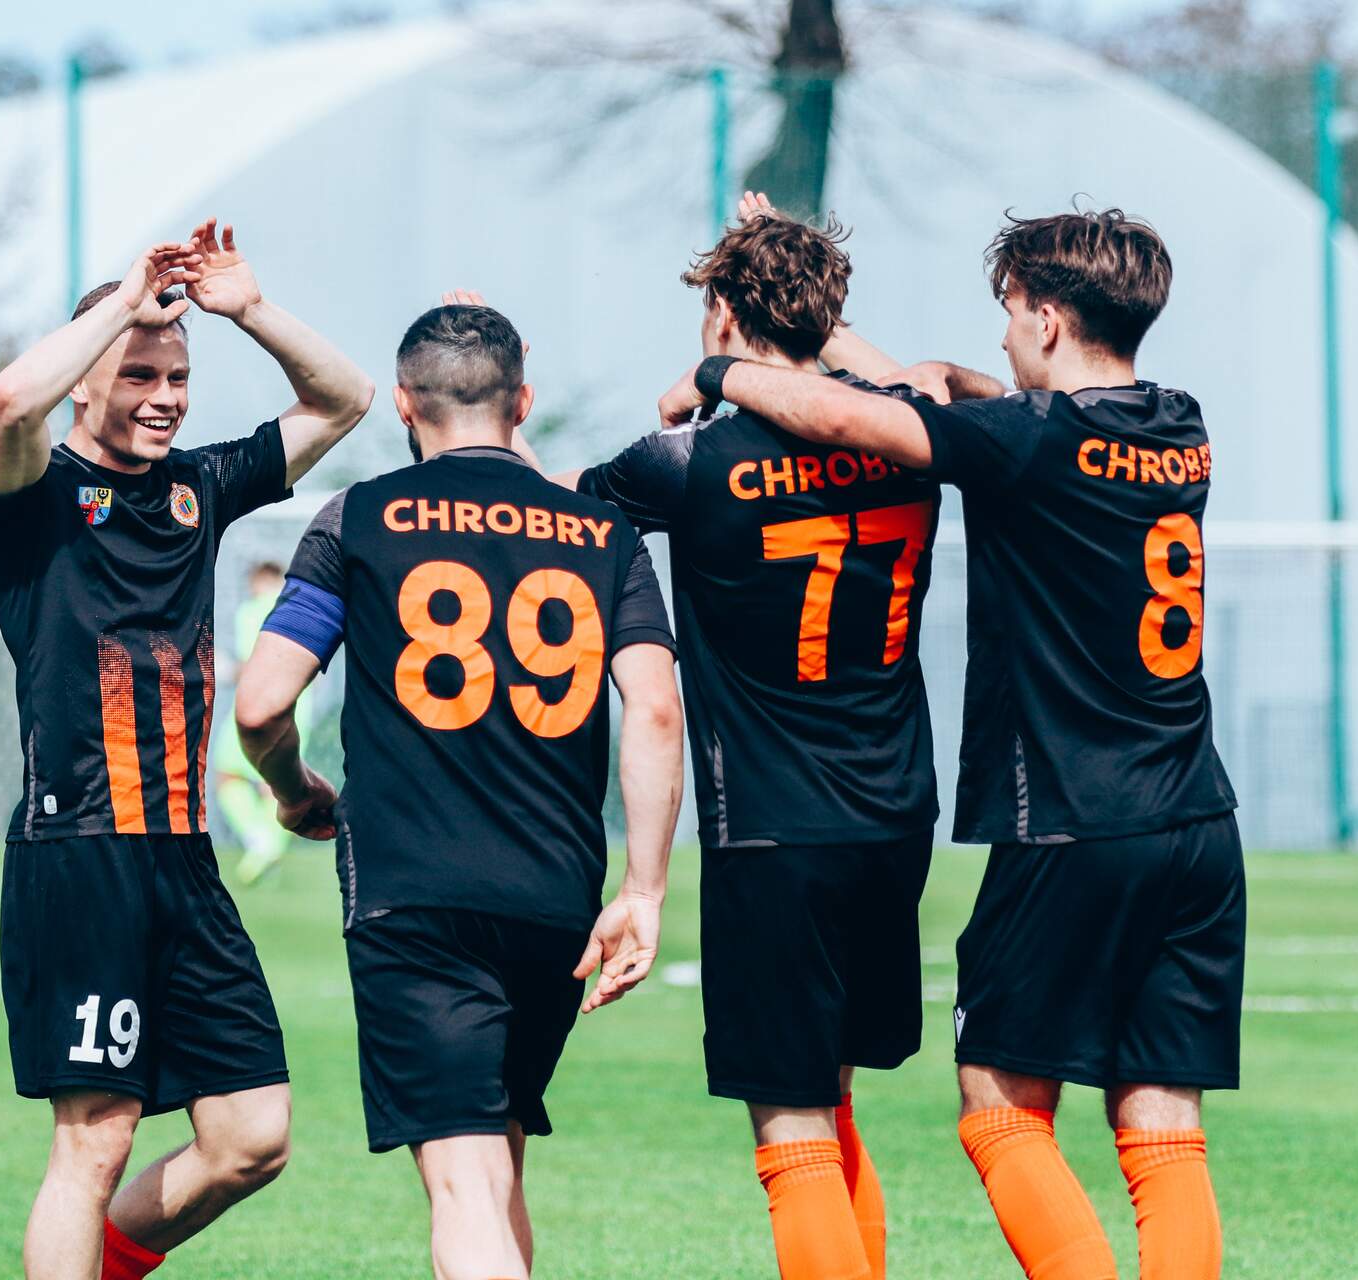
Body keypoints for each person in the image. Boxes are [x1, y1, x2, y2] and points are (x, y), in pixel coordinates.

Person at [664, 207, 1243, 1280]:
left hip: (1075, 820)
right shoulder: (1177, 422)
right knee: (1162, 1118)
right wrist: (840, 327)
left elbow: (855, 421)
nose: (1005, 335)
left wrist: (720, 373)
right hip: (1200, 823)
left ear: (1050, 319)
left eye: (1012, 313)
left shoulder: (1026, 443)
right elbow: (980, 407)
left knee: (999, 1104)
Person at [474, 190, 973, 1280]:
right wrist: (802, 303)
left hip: (773, 826)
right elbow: (901, 378)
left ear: (724, 317)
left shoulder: (686, 461)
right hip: (897, 814)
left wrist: (480, 408)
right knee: (834, 1096)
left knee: (790, 1126)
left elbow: (551, 506)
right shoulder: (911, 435)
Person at [233, 302, 683, 1280]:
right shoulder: (604, 533)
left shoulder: (357, 519)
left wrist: (292, 789)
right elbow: (654, 709)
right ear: (523, 400)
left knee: (465, 1184)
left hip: (415, 896)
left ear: (403, 403)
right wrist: (644, 890)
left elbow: (261, 701)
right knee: (497, 1158)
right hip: (556, 897)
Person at [0, 219, 374, 1280]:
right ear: (84, 387)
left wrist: (249, 308)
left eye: (178, 376)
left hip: (182, 860)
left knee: (252, 1135)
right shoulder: (33, 495)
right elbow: (8, 403)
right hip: (81, 852)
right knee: (95, 1141)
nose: (164, 396)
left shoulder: (202, 485)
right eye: (138, 375)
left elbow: (344, 398)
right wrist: (124, 302)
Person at [213, 560, 321, 885]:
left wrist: (227, 670)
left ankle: (263, 843)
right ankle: (267, 842)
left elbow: (258, 667)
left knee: (227, 775)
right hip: (298, 709)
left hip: (258, 705)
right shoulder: (303, 611)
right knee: (274, 781)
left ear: (260, 581)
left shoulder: (253, 610)